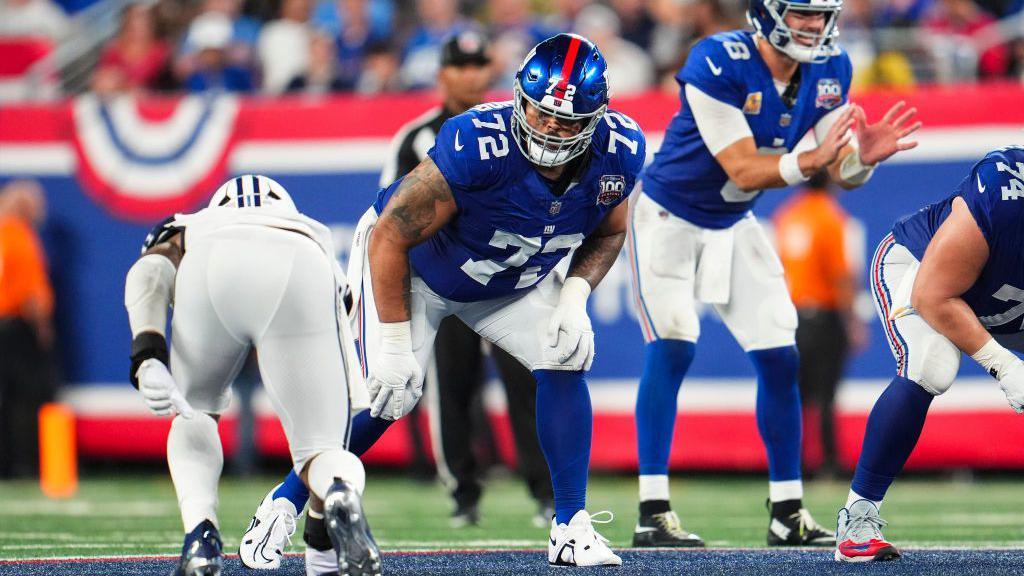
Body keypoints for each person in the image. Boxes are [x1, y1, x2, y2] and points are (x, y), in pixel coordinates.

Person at [243, 33, 646, 568]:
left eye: (567, 121)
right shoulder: (478, 144)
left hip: (507, 283)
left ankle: (570, 528)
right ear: (521, 97)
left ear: (596, 117)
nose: (549, 127)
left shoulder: (618, 151)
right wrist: (391, 341)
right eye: (541, 112)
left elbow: (609, 231)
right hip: (418, 272)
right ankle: (282, 506)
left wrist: (574, 297)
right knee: (390, 395)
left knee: (565, 355)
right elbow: (390, 234)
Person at [628, 0, 921, 548]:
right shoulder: (719, 59)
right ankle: (652, 509)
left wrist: (864, 160)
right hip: (667, 216)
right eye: (802, 14)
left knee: (780, 355)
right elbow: (742, 165)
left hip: (733, 221)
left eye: (822, 15)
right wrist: (815, 161)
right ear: (766, 13)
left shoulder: (831, 69)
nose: (815, 25)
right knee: (672, 345)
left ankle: (787, 509)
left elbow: (840, 169)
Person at [124, 175, 378, 576]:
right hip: (302, 265)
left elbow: (150, 270)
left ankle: (201, 538)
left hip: (210, 261)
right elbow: (345, 311)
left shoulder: (194, 224)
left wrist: (147, 351)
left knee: (195, 413)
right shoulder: (313, 234)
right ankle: (340, 494)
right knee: (323, 451)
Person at [385, 30, 555, 527]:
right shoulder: (417, 137)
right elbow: (391, 219)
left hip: (506, 279)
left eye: (480, 63)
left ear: (490, 70)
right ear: (442, 74)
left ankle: (546, 493)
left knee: (528, 382)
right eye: (461, 65)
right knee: (452, 388)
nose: (471, 73)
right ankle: (462, 491)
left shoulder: (519, 129)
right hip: (448, 281)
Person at [835, 146, 1024, 562]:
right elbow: (932, 297)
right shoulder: (1003, 193)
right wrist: (1006, 366)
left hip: (1006, 298)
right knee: (932, 366)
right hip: (923, 274)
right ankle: (858, 518)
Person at [774, 170, 866, 477]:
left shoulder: (787, 215)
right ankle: (828, 462)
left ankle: (793, 463)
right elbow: (840, 275)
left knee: (797, 395)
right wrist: (852, 321)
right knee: (826, 395)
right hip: (824, 315)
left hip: (794, 315)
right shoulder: (830, 217)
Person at [0, 180, 56, 479]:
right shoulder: (19, 235)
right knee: (27, 397)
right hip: (16, 326)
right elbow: (31, 293)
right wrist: (42, 326)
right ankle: (24, 464)